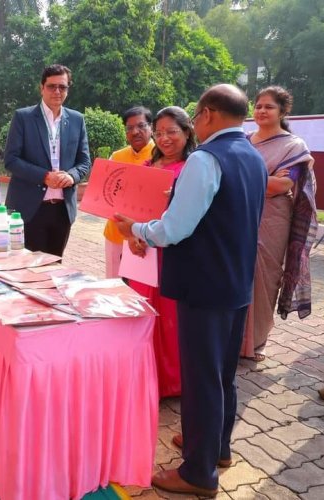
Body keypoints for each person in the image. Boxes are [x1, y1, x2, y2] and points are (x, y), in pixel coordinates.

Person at [115, 84, 267, 497]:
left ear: (207, 115)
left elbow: (176, 228)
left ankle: (198, 474)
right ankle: (216, 447)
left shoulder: (205, 158)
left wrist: (138, 229)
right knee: (222, 374)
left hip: (203, 284)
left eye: (196, 116)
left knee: (201, 377)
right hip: (235, 283)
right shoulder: (253, 156)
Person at [240, 86, 317, 361]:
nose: (261, 111)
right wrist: (265, 178)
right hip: (239, 216)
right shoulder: (244, 140)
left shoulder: (293, 146)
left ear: (283, 111)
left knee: (265, 277)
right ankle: (234, 340)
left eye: (268, 107)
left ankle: (255, 341)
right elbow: (266, 183)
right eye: (258, 105)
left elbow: (282, 186)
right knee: (236, 274)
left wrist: (247, 179)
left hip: (272, 220)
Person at [127, 106, 196, 398]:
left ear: (187, 131)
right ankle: (142, 374)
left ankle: (170, 381)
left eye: (172, 131)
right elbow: (130, 208)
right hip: (142, 254)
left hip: (173, 255)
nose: (164, 138)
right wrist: (132, 236)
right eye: (159, 132)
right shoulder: (147, 166)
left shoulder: (194, 168)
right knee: (141, 313)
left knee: (170, 319)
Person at [4, 64, 91, 257]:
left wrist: (71, 176)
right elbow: (11, 160)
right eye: (52, 86)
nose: (57, 91)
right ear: (41, 88)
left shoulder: (77, 120)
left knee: (54, 268)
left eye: (63, 86)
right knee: (26, 270)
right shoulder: (23, 117)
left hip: (62, 211)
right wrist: (44, 176)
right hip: (29, 209)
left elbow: (84, 161)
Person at [104, 106, 154, 277]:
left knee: (139, 293)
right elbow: (105, 198)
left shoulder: (161, 158)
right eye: (130, 128)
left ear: (151, 127)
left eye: (141, 126)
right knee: (112, 286)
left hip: (144, 239)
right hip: (115, 235)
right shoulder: (116, 157)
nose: (135, 132)